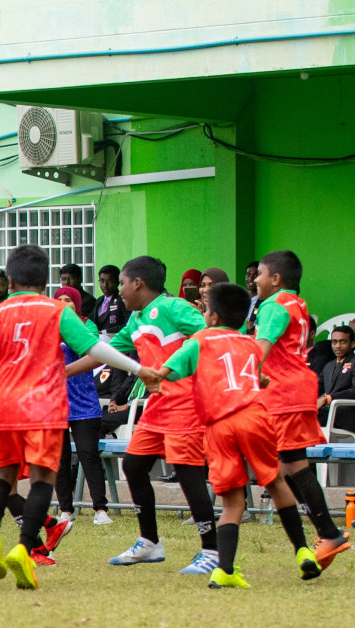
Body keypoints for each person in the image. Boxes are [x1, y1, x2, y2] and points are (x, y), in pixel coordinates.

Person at [0, 244, 142, 590]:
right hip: (45, 407)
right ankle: (23, 547)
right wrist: (138, 367)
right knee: (42, 481)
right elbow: (95, 350)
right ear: (45, 277)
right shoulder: (57, 311)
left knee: (2, 476)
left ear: (11, 277)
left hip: (4, 405)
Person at [140, 282, 318, 587]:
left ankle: (224, 569)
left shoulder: (199, 340)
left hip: (218, 425)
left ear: (211, 316)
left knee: (233, 501)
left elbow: (166, 370)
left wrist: (154, 380)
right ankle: (303, 551)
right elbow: (258, 376)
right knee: (275, 481)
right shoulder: (250, 343)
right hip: (254, 417)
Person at [101, 256, 220, 573]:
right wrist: (63, 372)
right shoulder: (137, 319)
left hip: (186, 403)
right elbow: (107, 351)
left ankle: (212, 552)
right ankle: (150, 543)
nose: (120, 291)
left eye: (122, 284)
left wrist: (170, 369)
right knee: (134, 465)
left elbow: (210, 335)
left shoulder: (175, 307)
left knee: (187, 473)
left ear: (137, 283)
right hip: (157, 405)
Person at [252, 250, 349, 567]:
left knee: (292, 465)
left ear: (276, 279)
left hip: (282, 394)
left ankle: (329, 533)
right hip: (293, 390)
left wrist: (245, 376)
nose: (255, 279)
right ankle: (323, 534)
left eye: (260, 274)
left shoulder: (274, 306)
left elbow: (260, 349)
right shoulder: (298, 304)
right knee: (285, 466)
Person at [52, 287, 111, 525]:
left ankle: (100, 509)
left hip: (84, 402)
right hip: (55, 402)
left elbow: (84, 347)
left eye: (69, 300)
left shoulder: (88, 327)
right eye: (60, 300)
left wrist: (62, 330)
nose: (65, 303)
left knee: (89, 454)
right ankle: (65, 509)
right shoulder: (48, 328)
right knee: (59, 457)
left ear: (77, 304)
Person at [317, 325, 355, 432]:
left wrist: (327, 398)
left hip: (348, 415)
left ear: (352, 344)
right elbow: (316, 388)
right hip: (329, 414)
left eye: (343, 342)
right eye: (334, 342)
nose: (337, 346)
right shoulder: (328, 366)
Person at [92, 265, 128, 339]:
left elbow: (127, 324)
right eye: (102, 281)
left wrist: (104, 332)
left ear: (117, 282)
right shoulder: (98, 301)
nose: (105, 285)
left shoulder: (123, 299)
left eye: (109, 281)